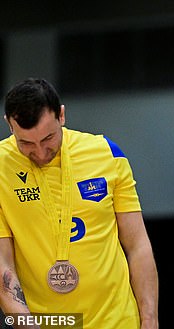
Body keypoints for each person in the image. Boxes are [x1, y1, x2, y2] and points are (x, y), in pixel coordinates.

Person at [0, 78, 159, 328]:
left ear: (61, 116)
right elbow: (3, 265)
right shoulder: (1, 167)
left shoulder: (107, 153)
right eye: (26, 143)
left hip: (118, 320)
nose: (40, 153)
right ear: (9, 125)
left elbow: (137, 244)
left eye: (48, 138)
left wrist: (149, 319)